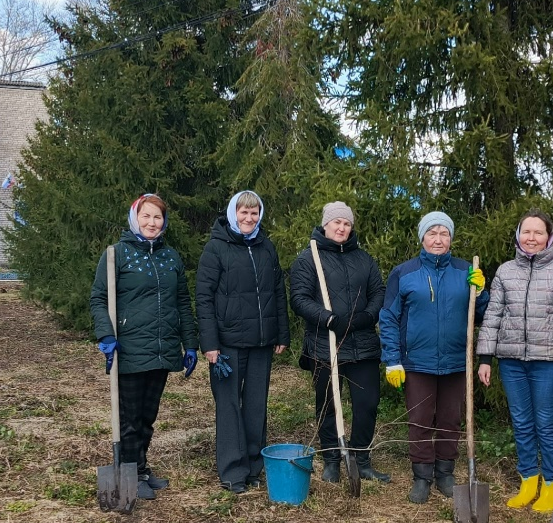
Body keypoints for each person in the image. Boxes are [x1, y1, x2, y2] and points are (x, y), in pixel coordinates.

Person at [476, 210, 553, 514]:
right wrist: (485, 357)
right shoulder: (505, 271)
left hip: (550, 361)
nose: (532, 238)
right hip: (511, 360)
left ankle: (551, 484)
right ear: (518, 235)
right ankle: (528, 480)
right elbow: (493, 315)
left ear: (549, 237)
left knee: (546, 424)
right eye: (526, 232)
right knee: (522, 422)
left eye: (539, 232)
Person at [90, 194, 199, 501]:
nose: (152, 223)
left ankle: (141, 467)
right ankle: (130, 472)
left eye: (158, 217)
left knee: (148, 416)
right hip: (130, 348)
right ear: (134, 218)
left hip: (163, 349)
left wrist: (190, 344)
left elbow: (182, 302)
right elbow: (99, 298)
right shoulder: (116, 254)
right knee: (130, 418)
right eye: (146, 216)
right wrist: (106, 335)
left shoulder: (171, 257)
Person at [379, 211, 488, 503]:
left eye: (444, 234)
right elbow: (388, 317)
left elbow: (480, 316)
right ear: (422, 238)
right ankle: (422, 476)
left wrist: (481, 293)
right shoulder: (404, 273)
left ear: (450, 238)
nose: (438, 239)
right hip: (417, 362)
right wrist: (392, 360)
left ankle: (445, 473)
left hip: (456, 362)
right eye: (432, 233)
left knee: (451, 420)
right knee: (420, 420)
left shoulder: (466, 271)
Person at [196, 190, 290, 493]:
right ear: (232, 214)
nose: (249, 218)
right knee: (228, 406)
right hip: (227, 344)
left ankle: (252, 466)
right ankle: (232, 471)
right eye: (243, 212)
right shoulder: (216, 248)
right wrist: (210, 343)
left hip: (261, 342)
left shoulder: (266, 247)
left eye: (254, 212)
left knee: (255, 405)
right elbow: (204, 297)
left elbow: (278, 291)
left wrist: (281, 333)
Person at [289, 202, 389, 484]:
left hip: (363, 343)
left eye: (347, 223)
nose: (342, 228)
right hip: (324, 344)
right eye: (337, 223)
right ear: (326, 225)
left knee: (367, 403)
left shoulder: (364, 259)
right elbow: (299, 299)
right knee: (328, 405)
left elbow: (378, 292)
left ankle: (361, 459)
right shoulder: (308, 259)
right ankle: (332, 459)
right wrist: (329, 319)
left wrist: (366, 317)